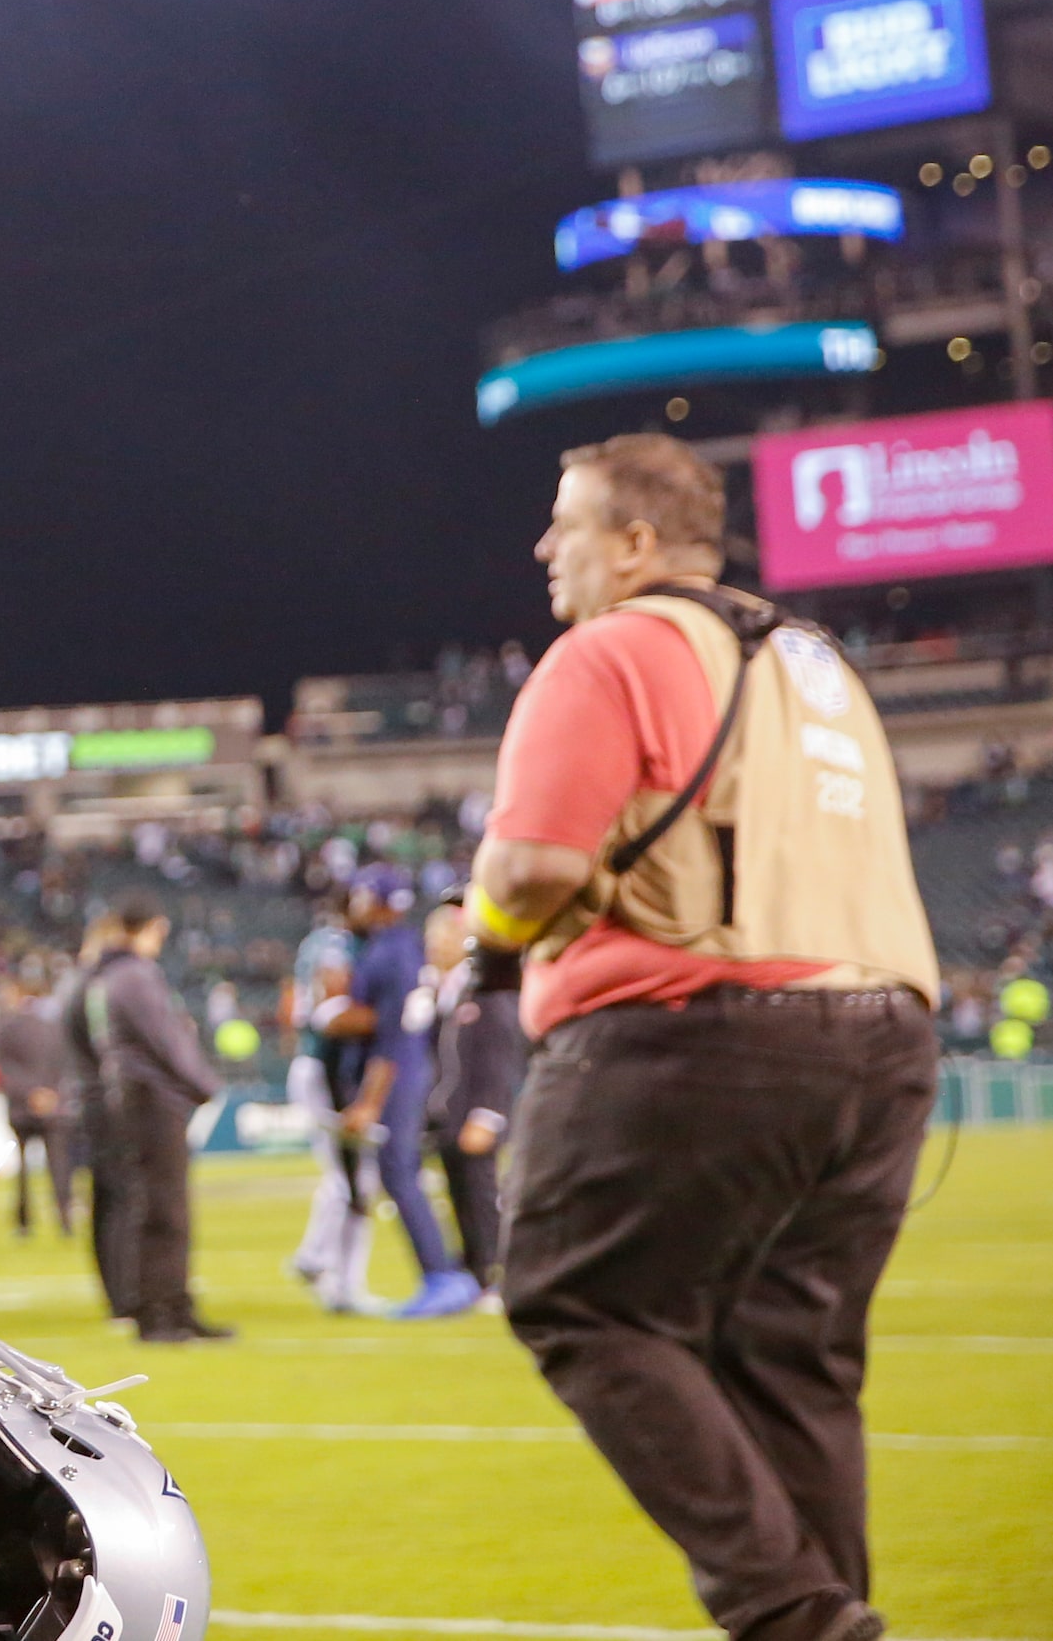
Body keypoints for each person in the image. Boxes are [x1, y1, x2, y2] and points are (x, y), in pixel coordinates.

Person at [467, 434, 940, 1641]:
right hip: (886, 1033)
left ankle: (793, 1615)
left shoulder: (614, 648)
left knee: (580, 1300)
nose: (543, 547)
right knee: (794, 1357)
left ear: (633, 545)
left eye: (563, 523)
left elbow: (529, 867)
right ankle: (830, 1615)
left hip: (691, 1026)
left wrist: (490, 927)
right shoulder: (814, 662)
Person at [72, 902, 231, 1342]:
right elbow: (167, 1042)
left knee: (155, 1205)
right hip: (151, 1098)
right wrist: (204, 1084)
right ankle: (164, 1311)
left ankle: (166, 1305)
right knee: (165, 1208)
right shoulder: (134, 976)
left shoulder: (108, 977)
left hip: (135, 1096)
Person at [338, 884, 479, 1319]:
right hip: (405, 1069)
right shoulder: (400, 947)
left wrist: (369, 1100)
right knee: (399, 1173)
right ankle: (446, 1273)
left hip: (397, 1073)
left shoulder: (390, 952)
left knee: (399, 1172)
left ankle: (441, 1275)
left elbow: (393, 1035)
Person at [422, 895, 523, 1294]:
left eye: (445, 936)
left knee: (483, 1195)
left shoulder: (485, 988)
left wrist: (489, 1113)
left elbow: (501, 1053)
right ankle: (474, 1269)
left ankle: (497, 1273)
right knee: (459, 1193)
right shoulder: (442, 992)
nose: (436, 945)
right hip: (449, 1110)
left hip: (474, 1109)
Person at [283, 920, 376, 1315]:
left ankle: (317, 1258)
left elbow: (291, 1002)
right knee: (351, 1180)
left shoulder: (315, 939)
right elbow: (332, 990)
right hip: (325, 1066)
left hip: (313, 1062)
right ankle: (326, 1268)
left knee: (347, 1178)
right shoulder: (338, 944)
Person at [0, 983, 75, 1236]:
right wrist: (50, 1093)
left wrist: (28, 1093)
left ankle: (24, 1221)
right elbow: (66, 1065)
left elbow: (2, 1068)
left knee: (24, 1171)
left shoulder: (7, 1027)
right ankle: (65, 1219)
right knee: (59, 1166)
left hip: (21, 1105)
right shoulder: (56, 1027)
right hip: (53, 1105)